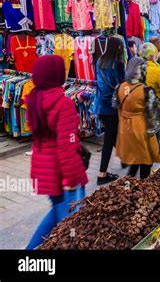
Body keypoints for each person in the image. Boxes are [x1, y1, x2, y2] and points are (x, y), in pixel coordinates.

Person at [26, 55, 88, 249]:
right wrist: (72, 180)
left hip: (43, 171)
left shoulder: (34, 100)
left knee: (56, 211)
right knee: (72, 228)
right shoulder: (64, 104)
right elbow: (67, 147)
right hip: (63, 174)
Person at [114, 57, 160, 179]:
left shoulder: (119, 87)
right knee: (146, 160)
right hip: (141, 128)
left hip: (125, 128)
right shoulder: (146, 90)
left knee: (134, 160)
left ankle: (128, 184)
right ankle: (143, 186)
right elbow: (154, 114)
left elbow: (115, 105)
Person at [94, 37, 125, 185]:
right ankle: (102, 173)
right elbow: (122, 84)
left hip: (100, 105)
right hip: (112, 107)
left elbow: (98, 82)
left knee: (113, 134)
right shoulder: (117, 64)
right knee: (109, 139)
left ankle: (124, 158)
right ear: (118, 48)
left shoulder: (99, 61)